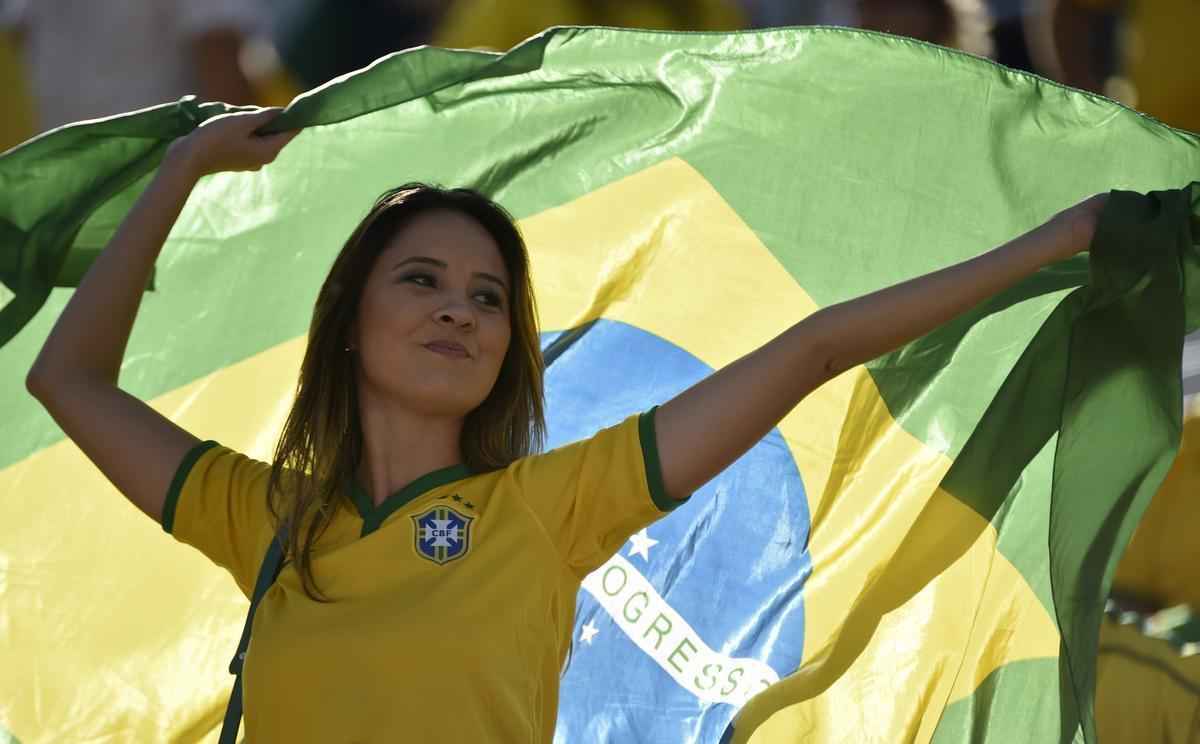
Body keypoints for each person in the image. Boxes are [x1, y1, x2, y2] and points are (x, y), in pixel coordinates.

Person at [24, 109, 1106, 741]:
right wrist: (184, 170)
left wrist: (1048, 246)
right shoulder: (264, 516)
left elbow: (816, 349)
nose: (461, 307)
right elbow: (68, 381)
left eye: (490, 297)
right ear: (351, 322)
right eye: (424, 280)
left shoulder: (550, 509)